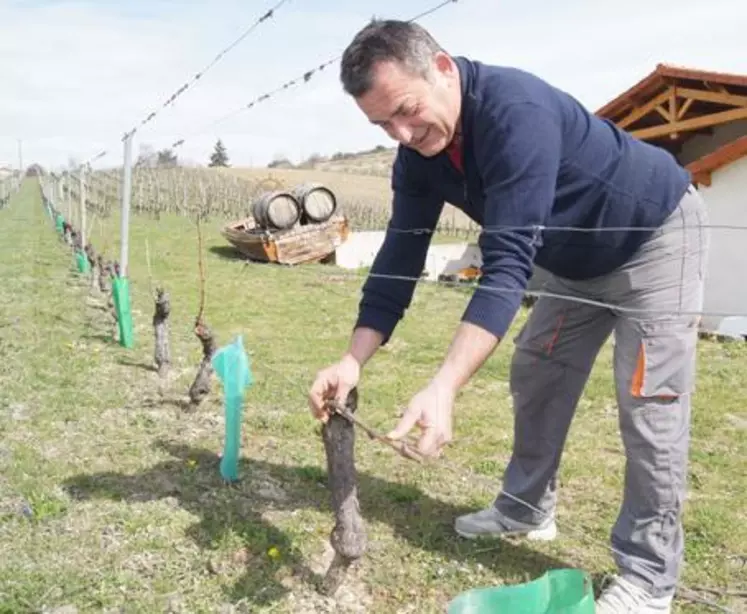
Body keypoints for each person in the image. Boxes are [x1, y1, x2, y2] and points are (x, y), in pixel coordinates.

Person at [307, 18, 709, 614]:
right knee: (538, 371)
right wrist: (352, 357)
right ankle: (525, 507)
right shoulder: (417, 153)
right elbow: (399, 256)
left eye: (407, 110)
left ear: (443, 69)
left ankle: (650, 577)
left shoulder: (514, 112)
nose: (402, 132)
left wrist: (444, 386)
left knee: (650, 404)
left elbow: (507, 264)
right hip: (574, 262)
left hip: (655, 236)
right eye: (382, 124)